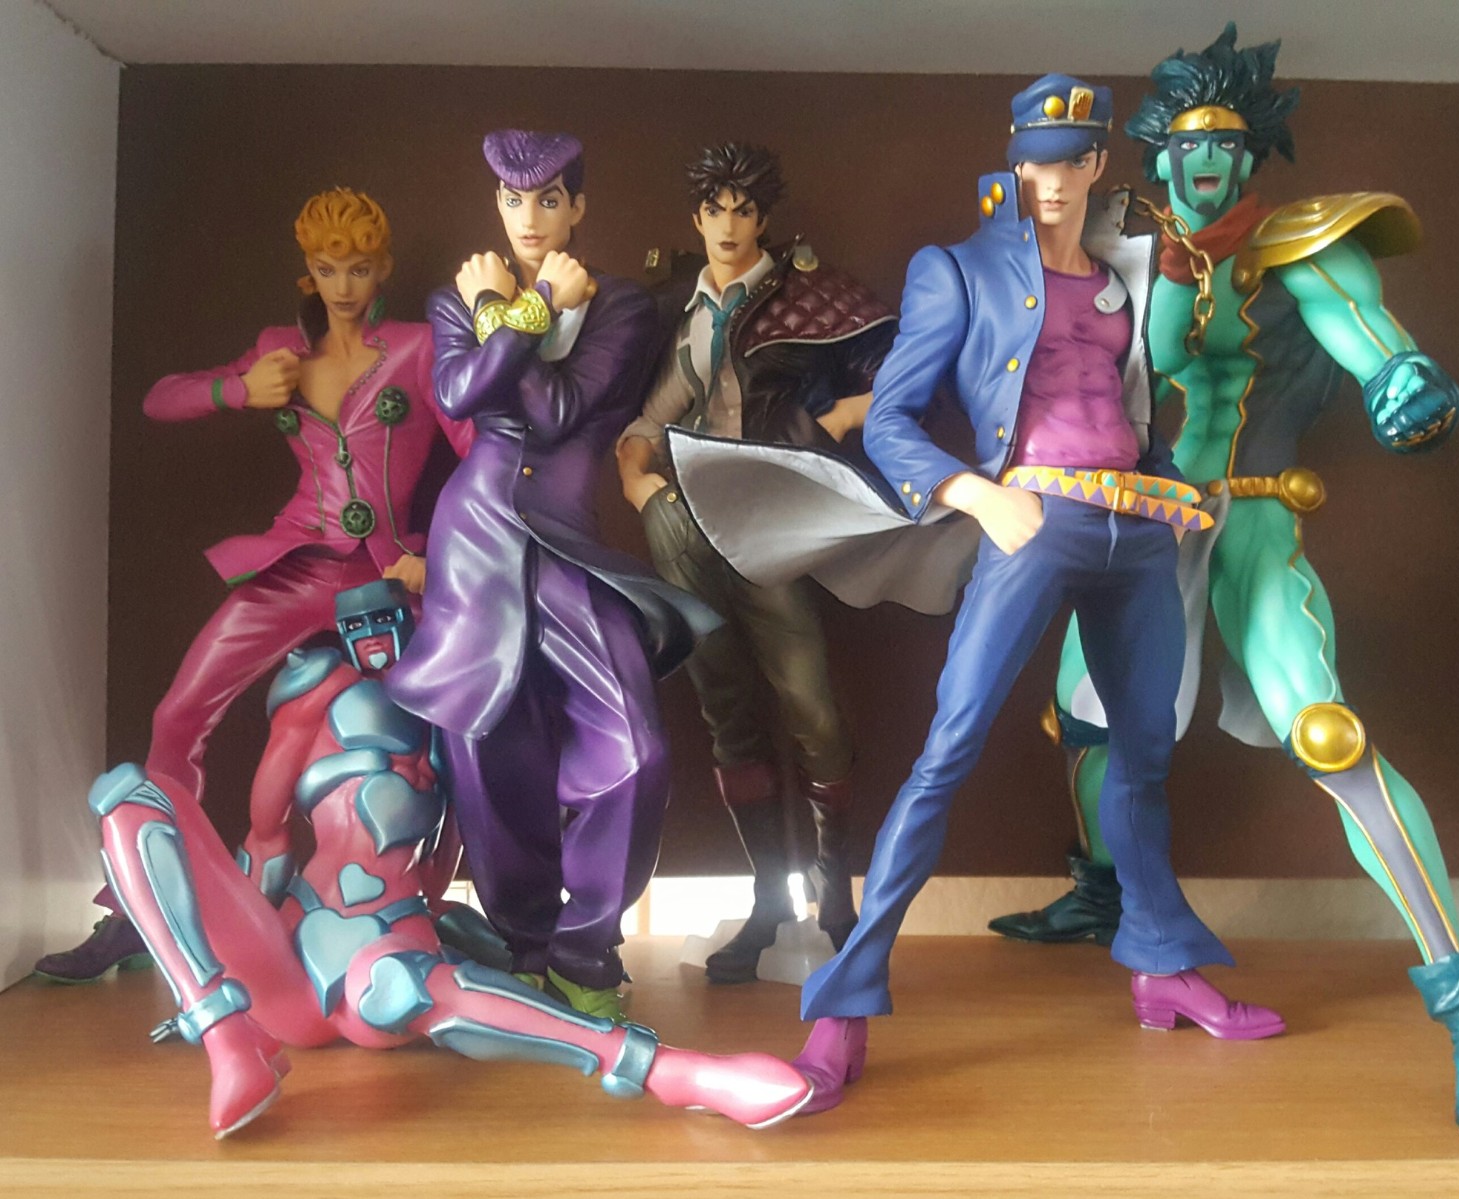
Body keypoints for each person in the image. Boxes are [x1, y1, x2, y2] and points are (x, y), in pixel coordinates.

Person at [989, 26, 1459, 1147]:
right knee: (1080, 717)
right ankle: (1102, 888)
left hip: (1256, 517)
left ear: (1252, 154)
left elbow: (1371, 337)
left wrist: (1403, 382)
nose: (1207, 163)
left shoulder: (1304, 248)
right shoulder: (1119, 257)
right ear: (1157, 155)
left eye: (1227, 144)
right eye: (1188, 144)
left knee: (1326, 732)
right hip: (1145, 523)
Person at [780, 74, 1282, 1113]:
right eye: (1033, 161)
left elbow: (1131, 417)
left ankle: (1161, 965)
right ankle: (844, 1002)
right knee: (948, 750)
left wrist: (1176, 493)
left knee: (1143, 755)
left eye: (1068, 161)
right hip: (1034, 518)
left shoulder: (1124, 277)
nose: (1049, 180)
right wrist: (976, 494)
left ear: (1096, 165)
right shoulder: (960, 269)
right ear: (1015, 164)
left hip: (1135, 528)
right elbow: (891, 421)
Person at [93, 580, 811, 1138]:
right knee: (127, 795)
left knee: (402, 988)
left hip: (385, 950)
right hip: (290, 949)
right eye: (357, 626)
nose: (372, 639)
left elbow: (463, 842)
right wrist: (229, 968)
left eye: (386, 620)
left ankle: (672, 1070)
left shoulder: (455, 713)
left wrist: (447, 923)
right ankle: (223, 1037)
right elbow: (266, 837)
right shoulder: (319, 692)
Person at [37, 188, 472, 983]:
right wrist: (237, 390)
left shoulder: (417, 348)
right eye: (327, 268)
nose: (343, 285)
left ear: (383, 269)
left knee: (448, 733)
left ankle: (425, 910)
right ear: (308, 270)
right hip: (295, 565)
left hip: (385, 576)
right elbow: (160, 399)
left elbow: (482, 451)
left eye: (359, 268)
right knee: (179, 713)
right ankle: (143, 906)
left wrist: (438, 555)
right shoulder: (282, 350)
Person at [384, 130, 715, 1020]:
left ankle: (584, 945)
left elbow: (557, 408)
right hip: (475, 536)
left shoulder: (621, 304)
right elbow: (457, 394)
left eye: (546, 199)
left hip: (567, 539)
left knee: (635, 749)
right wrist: (523, 309)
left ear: (577, 206)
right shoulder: (458, 295)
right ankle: (524, 945)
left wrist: (508, 313)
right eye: (511, 199)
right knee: (488, 745)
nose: (527, 217)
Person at [617, 143, 896, 983]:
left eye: (743, 210)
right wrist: (639, 484)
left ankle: (833, 892)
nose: (729, 225)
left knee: (815, 711)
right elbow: (648, 418)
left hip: (770, 521)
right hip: (686, 524)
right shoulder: (684, 308)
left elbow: (897, 376)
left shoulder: (805, 293)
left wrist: (837, 420)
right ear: (696, 217)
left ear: (763, 219)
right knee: (727, 714)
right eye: (716, 210)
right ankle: (767, 899)